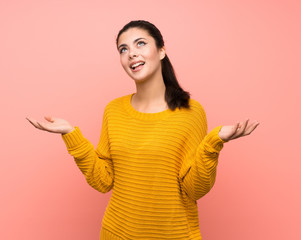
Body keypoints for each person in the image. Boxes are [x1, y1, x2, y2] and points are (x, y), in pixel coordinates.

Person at [27, 20, 259, 240]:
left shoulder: (191, 112)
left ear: (161, 51)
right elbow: (103, 181)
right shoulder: (113, 110)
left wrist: (213, 143)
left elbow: (194, 189)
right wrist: (70, 134)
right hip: (116, 233)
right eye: (123, 49)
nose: (132, 53)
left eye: (140, 43)